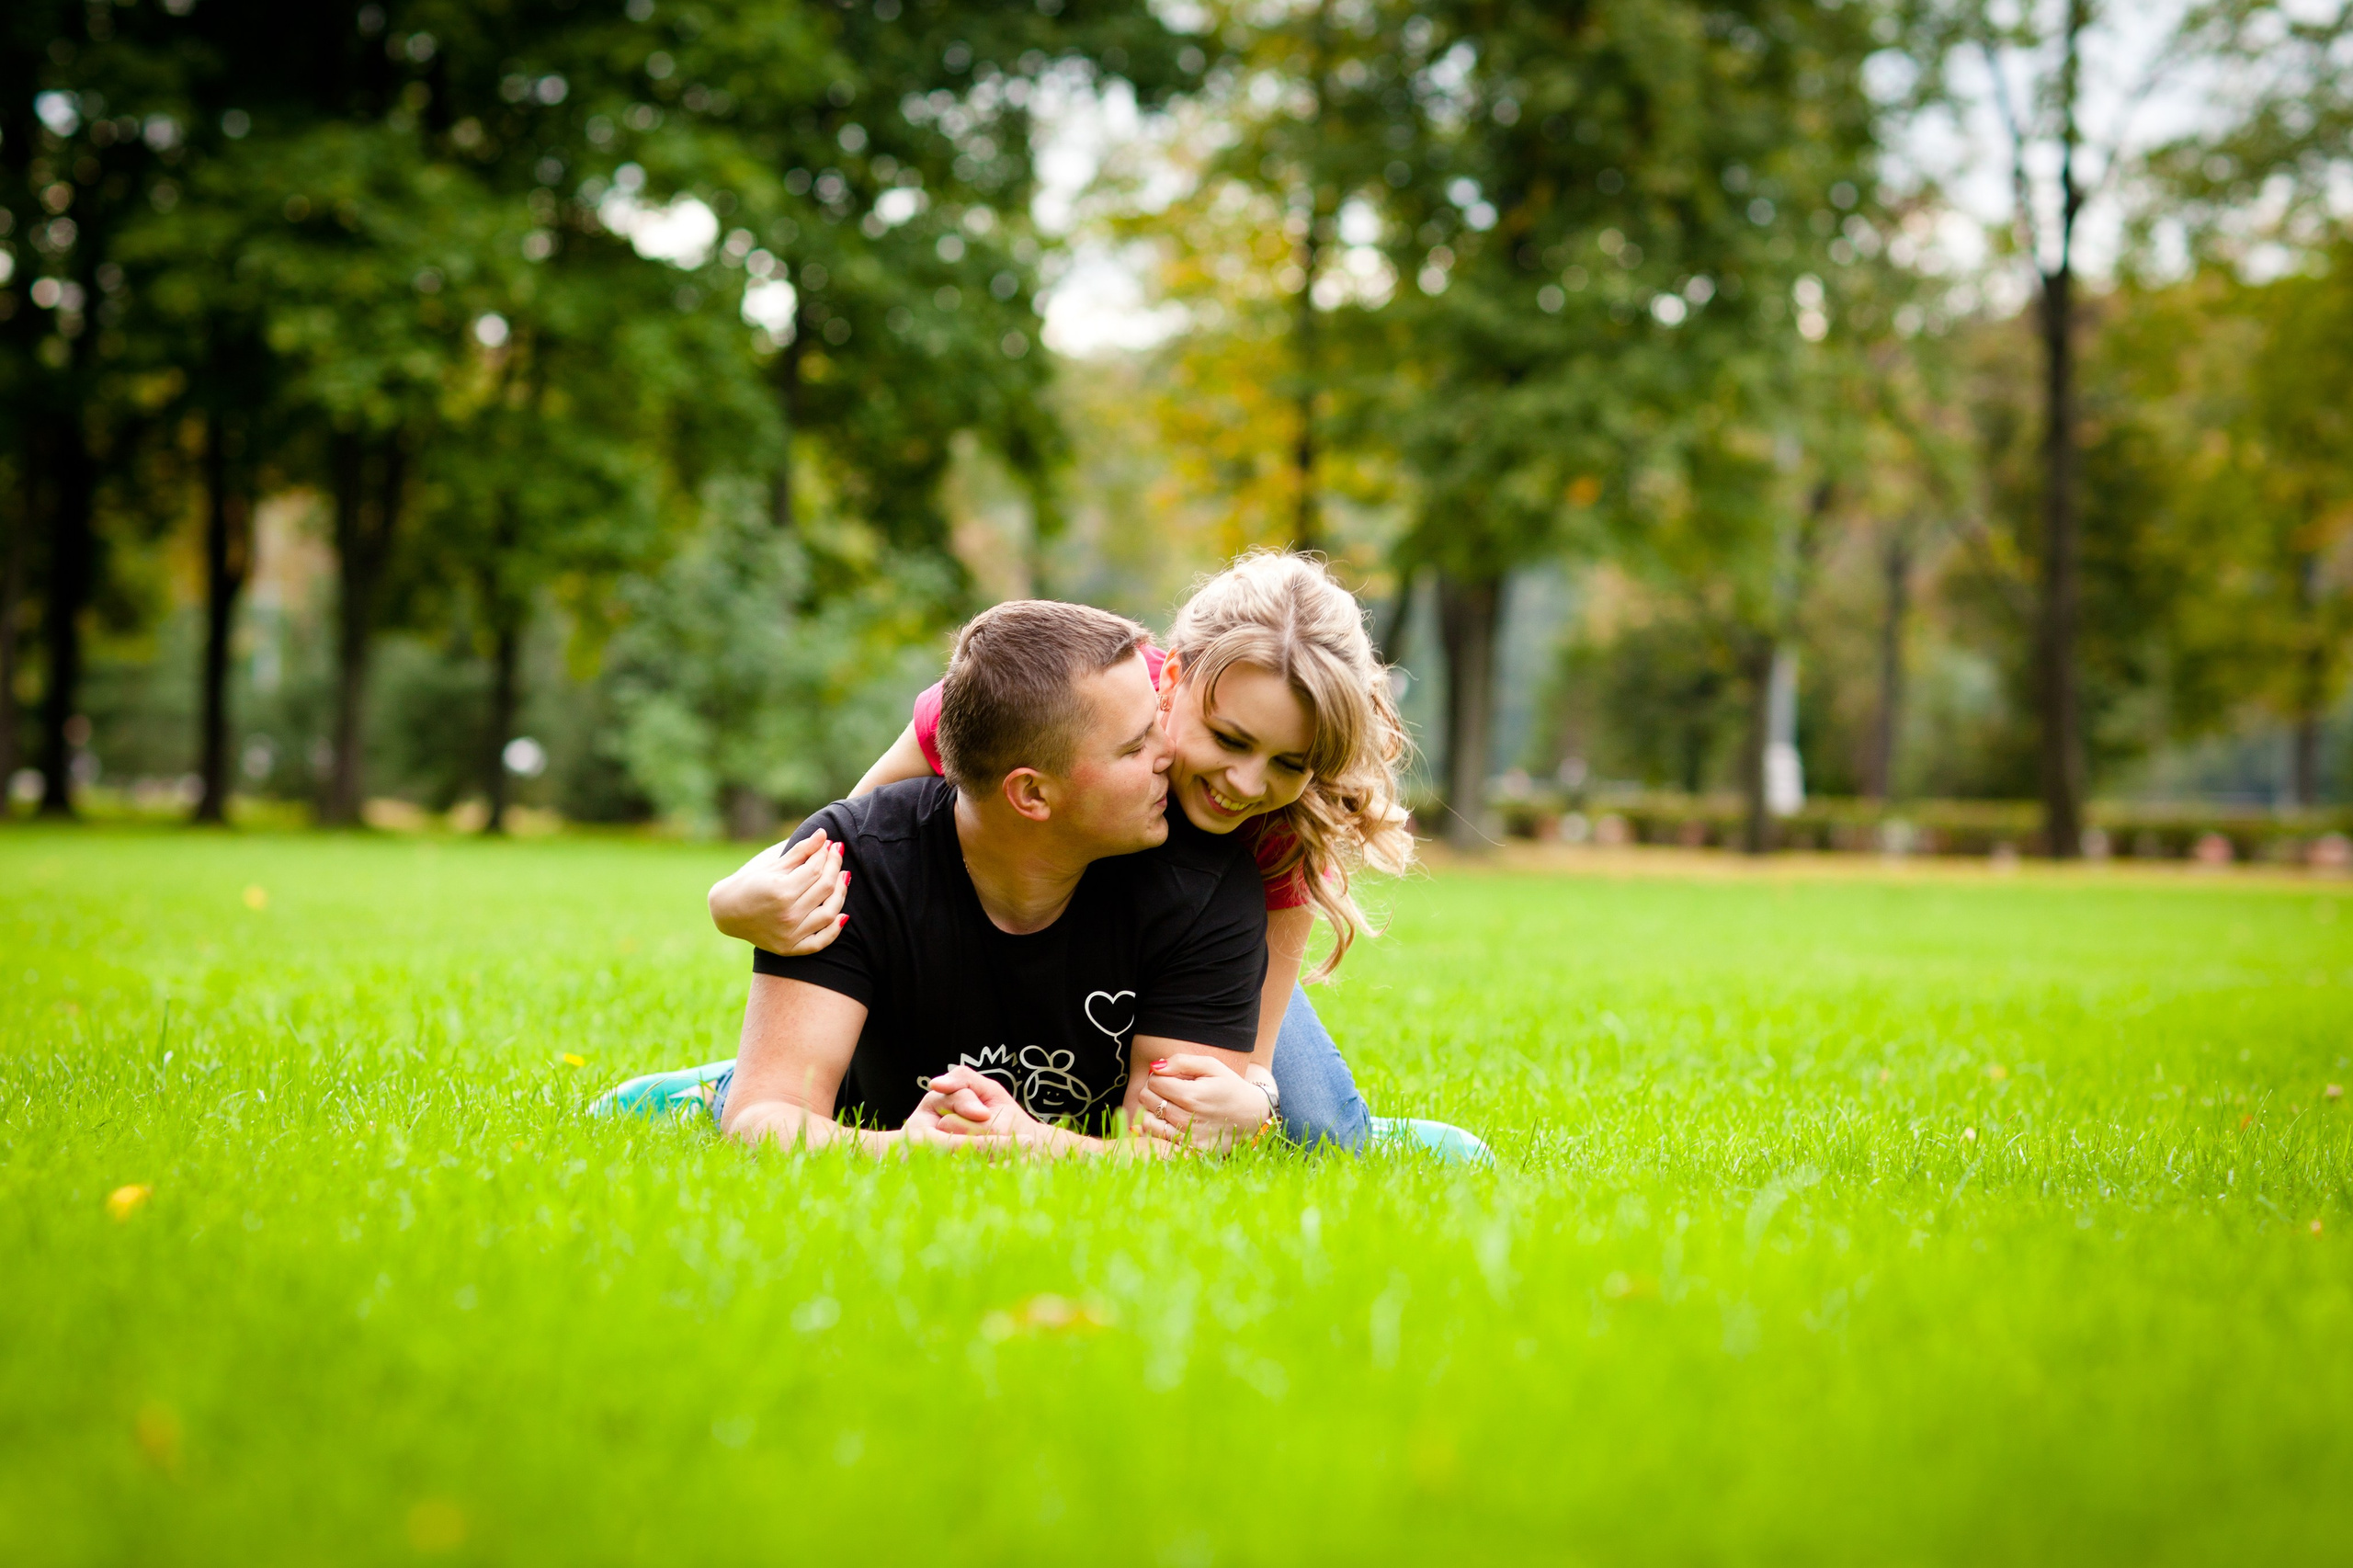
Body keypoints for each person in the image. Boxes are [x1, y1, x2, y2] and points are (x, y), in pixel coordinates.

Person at [615, 551, 1488, 1162]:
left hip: (1200, 951)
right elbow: (855, 856)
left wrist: (1251, 1099)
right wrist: (733, 901)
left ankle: (1371, 1133)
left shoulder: (1279, 819)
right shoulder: (1037, 708)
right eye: (1228, 739)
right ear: (1173, 679)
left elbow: (1243, 1062)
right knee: (855, 1071)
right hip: (1042, 889)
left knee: (1310, 1130)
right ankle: (734, 1084)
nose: (1247, 782)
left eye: (1288, 761)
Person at [699, 597, 1282, 1156]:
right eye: (1134, 747)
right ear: (1032, 793)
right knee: (745, 1084)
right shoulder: (854, 863)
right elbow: (762, 1117)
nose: (1168, 753)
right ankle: (707, 1085)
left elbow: (1179, 1154)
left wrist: (1033, 1145)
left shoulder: (1207, 886)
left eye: (1157, 720)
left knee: (1317, 1120)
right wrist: (903, 1150)